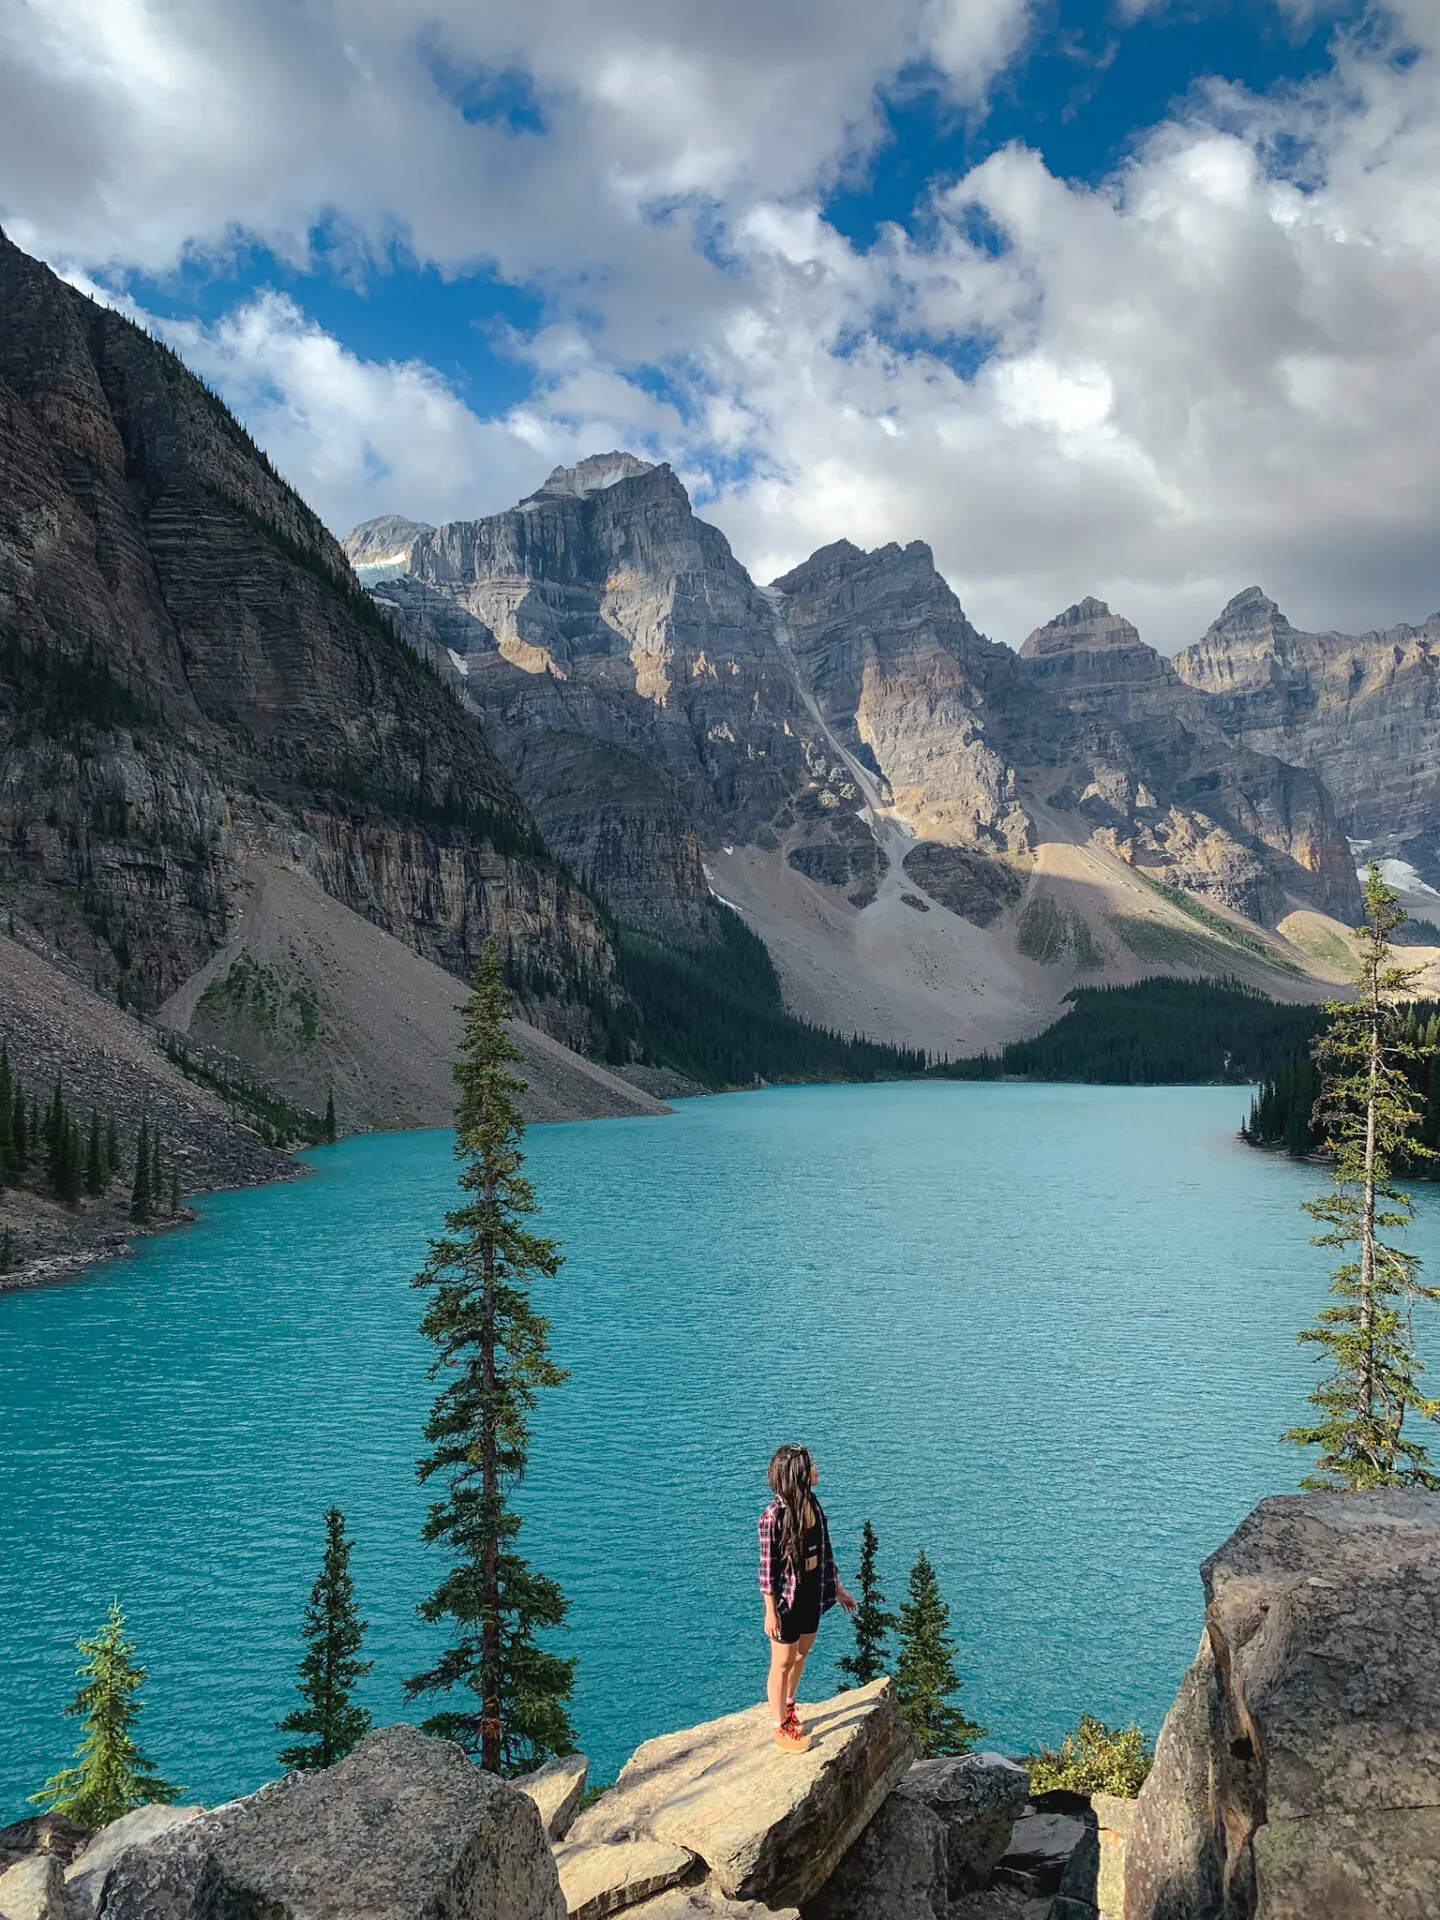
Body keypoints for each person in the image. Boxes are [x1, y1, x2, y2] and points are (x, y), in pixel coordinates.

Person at [757, 1443, 856, 1752]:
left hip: (812, 1589)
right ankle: (780, 1727)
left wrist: (836, 1587)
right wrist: (770, 1611)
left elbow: (825, 1550)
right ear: (798, 1474)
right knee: (782, 1661)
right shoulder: (773, 1517)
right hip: (787, 1598)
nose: (817, 1469)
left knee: (802, 1652)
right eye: (811, 1466)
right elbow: (767, 1569)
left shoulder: (813, 1505)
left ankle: (788, 1705)